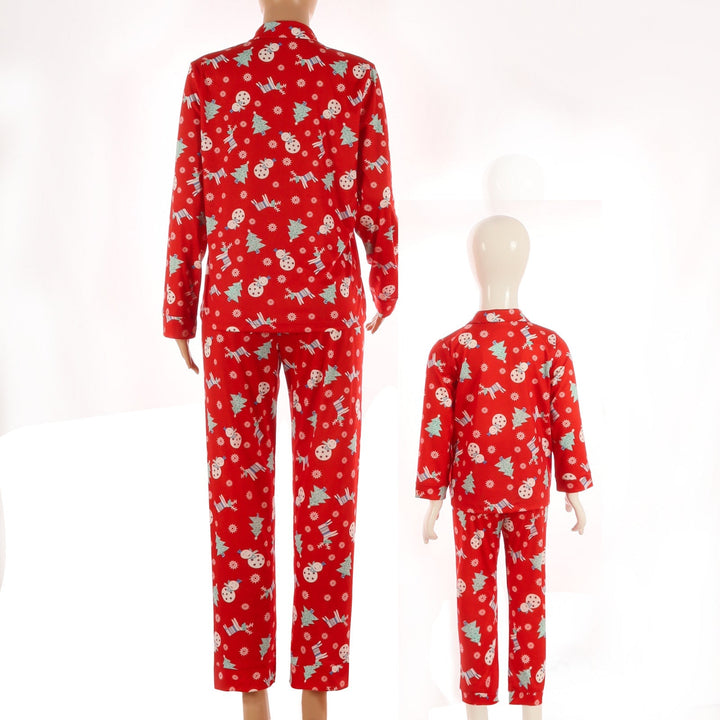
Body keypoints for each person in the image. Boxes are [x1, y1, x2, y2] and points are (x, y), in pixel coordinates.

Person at [161, 2, 398, 718]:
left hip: (234, 306)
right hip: (328, 306)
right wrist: (385, 286)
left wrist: (179, 308)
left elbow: (190, 206)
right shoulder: (353, 78)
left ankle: (254, 704)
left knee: (236, 502)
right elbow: (376, 201)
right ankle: (315, 701)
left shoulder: (211, 78)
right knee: (329, 501)